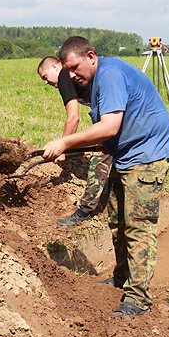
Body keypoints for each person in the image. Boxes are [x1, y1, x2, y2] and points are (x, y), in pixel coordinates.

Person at [41, 36, 169, 318]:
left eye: (75, 67)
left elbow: (110, 126)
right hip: (124, 153)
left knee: (138, 226)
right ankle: (122, 276)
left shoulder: (111, 75)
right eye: (68, 71)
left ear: (91, 57)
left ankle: (138, 298)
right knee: (117, 221)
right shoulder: (95, 81)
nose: (73, 75)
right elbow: (106, 133)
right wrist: (77, 146)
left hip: (147, 154)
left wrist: (65, 143)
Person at [37, 56, 112, 227]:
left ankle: (84, 211)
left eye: (45, 77)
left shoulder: (64, 75)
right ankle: (113, 195)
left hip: (112, 120)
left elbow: (73, 118)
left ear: (55, 67)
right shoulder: (70, 77)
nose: (46, 83)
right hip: (115, 117)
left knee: (100, 154)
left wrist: (63, 146)